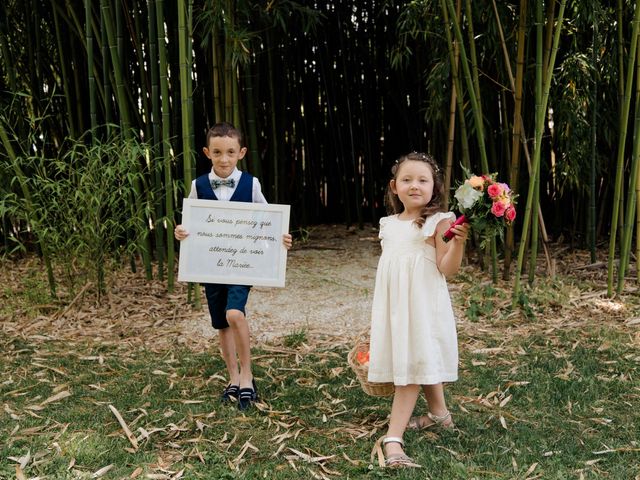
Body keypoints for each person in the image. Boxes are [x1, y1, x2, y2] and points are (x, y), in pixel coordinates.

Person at [174, 122, 293, 410]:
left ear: (241, 152)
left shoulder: (251, 183)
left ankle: (248, 376)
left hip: (241, 264)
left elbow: (267, 218)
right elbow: (192, 221)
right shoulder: (198, 185)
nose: (224, 159)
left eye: (230, 152)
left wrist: (281, 238)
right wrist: (181, 231)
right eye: (217, 152)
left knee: (234, 313)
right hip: (211, 265)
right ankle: (233, 377)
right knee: (221, 324)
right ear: (207, 153)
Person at [367, 151, 469, 468]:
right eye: (407, 179)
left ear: (434, 187)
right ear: (394, 187)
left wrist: (458, 244)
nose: (415, 186)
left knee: (411, 366)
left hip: (423, 304)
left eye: (423, 180)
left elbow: (446, 268)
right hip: (396, 307)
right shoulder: (388, 223)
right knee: (418, 356)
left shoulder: (439, 222)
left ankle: (393, 438)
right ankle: (439, 415)